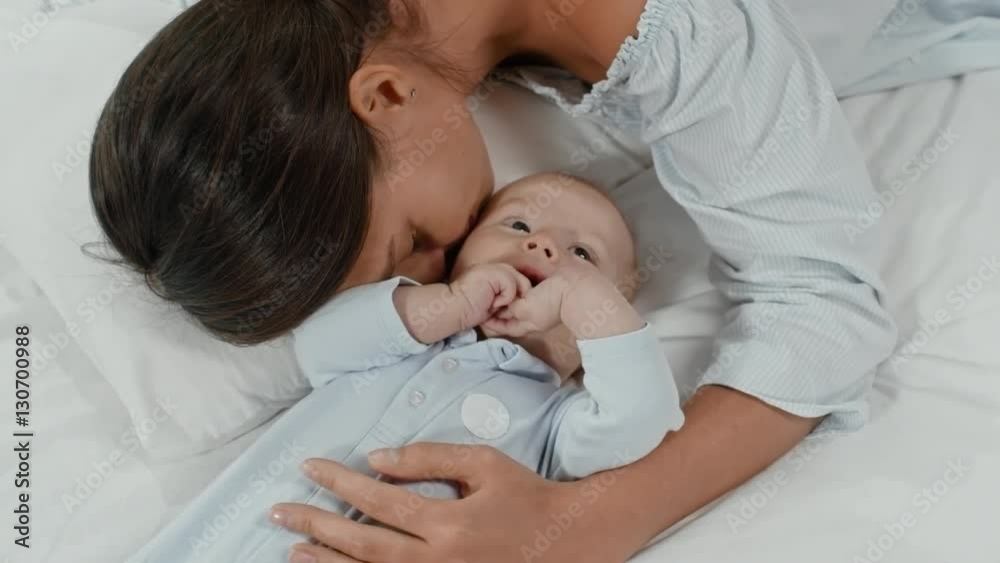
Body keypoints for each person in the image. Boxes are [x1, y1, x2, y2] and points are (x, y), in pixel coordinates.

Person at [89, 0, 944, 561]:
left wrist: (581, 528)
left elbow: (824, 313)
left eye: (411, 243)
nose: (444, 265)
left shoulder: (680, 36)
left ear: (385, 95)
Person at [125, 173, 685, 563]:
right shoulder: (403, 338)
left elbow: (642, 418)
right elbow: (317, 344)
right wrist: (451, 305)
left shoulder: (558, 424)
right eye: (518, 225)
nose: (543, 246)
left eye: (584, 256)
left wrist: (584, 297)